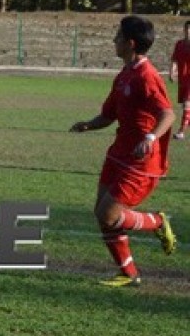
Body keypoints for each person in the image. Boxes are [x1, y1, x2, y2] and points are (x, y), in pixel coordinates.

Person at [70, 15, 177, 287]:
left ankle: (157, 221)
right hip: (117, 154)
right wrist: (88, 125)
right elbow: (109, 115)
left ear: (130, 43)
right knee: (102, 214)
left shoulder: (147, 76)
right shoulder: (124, 75)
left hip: (141, 162)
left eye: (117, 36)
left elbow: (167, 114)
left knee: (109, 215)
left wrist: (150, 137)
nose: (113, 40)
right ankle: (128, 274)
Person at [170, 20, 190, 140]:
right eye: (186, 29)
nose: (188, 31)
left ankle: (181, 132)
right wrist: (172, 71)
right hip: (182, 79)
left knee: (187, 104)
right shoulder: (179, 44)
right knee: (185, 105)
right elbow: (174, 59)